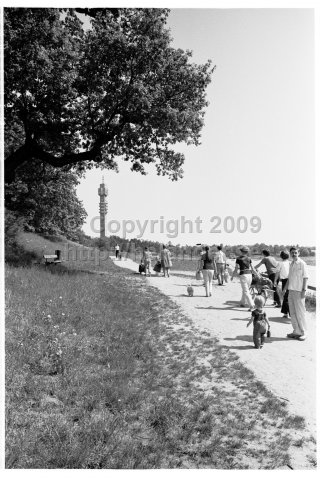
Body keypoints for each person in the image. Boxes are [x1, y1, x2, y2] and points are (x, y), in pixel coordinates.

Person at [282, 247, 308, 341]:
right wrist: (284, 289)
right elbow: (289, 278)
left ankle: (304, 332)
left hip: (299, 291)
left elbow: (305, 278)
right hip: (291, 291)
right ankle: (296, 331)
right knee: (292, 313)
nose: (294, 254)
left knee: (300, 313)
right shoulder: (291, 264)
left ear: (298, 253)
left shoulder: (302, 264)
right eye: (292, 253)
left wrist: (304, 291)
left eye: (295, 253)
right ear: (290, 254)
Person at [231, 246, 255, 311]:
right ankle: (242, 303)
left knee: (246, 290)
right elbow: (252, 268)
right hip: (249, 275)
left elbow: (236, 269)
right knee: (245, 289)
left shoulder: (238, 258)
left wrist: (232, 276)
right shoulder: (249, 258)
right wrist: (257, 275)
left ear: (241, 251)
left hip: (243, 275)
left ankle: (251, 305)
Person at [276, 250, 290, 318]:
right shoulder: (290, 263)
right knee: (286, 297)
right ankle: (285, 313)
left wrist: (275, 281)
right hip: (291, 280)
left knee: (286, 297)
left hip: (285, 281)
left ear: (281, 256)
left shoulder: (280, 263)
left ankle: (291, 313)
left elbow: (277, 273)